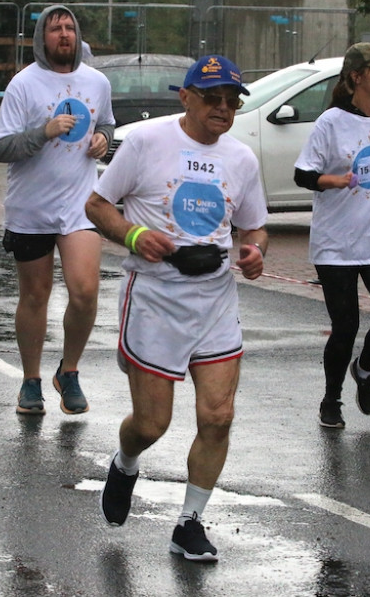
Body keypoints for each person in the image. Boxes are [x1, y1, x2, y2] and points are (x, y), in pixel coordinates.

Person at [86, 54, 268, 562]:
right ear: (185, 97)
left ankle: (189, 522)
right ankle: (125, 462)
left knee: (218, 415)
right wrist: (135, 234)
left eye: (232, 101)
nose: (224, 109)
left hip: (214, 298)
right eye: (213, 99)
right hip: (155, 298)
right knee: (152, 424)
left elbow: (254, 227)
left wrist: (255, 251)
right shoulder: (146, 141)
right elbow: (97, 205)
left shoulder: (241, 159)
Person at [0, 4, 114, 416]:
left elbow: (107, 125)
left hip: (80, 206)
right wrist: (43, 132)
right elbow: (0, 147)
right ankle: (30, 381)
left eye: (70, 28)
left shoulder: (96, 82)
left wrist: (102, 139)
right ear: (42, 38)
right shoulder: (24, 85)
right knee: (35, 295)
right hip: (32, 208)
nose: (64, 35)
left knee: (85, 291)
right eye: (56, 28)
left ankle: (69, 370)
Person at [293, 42, 370, 430]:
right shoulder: (330, 122)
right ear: (356, 77)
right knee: (345, 327)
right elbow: (303, 175)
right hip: (336, 243)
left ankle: (364, 367)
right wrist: (333, 180)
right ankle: (331, 400)